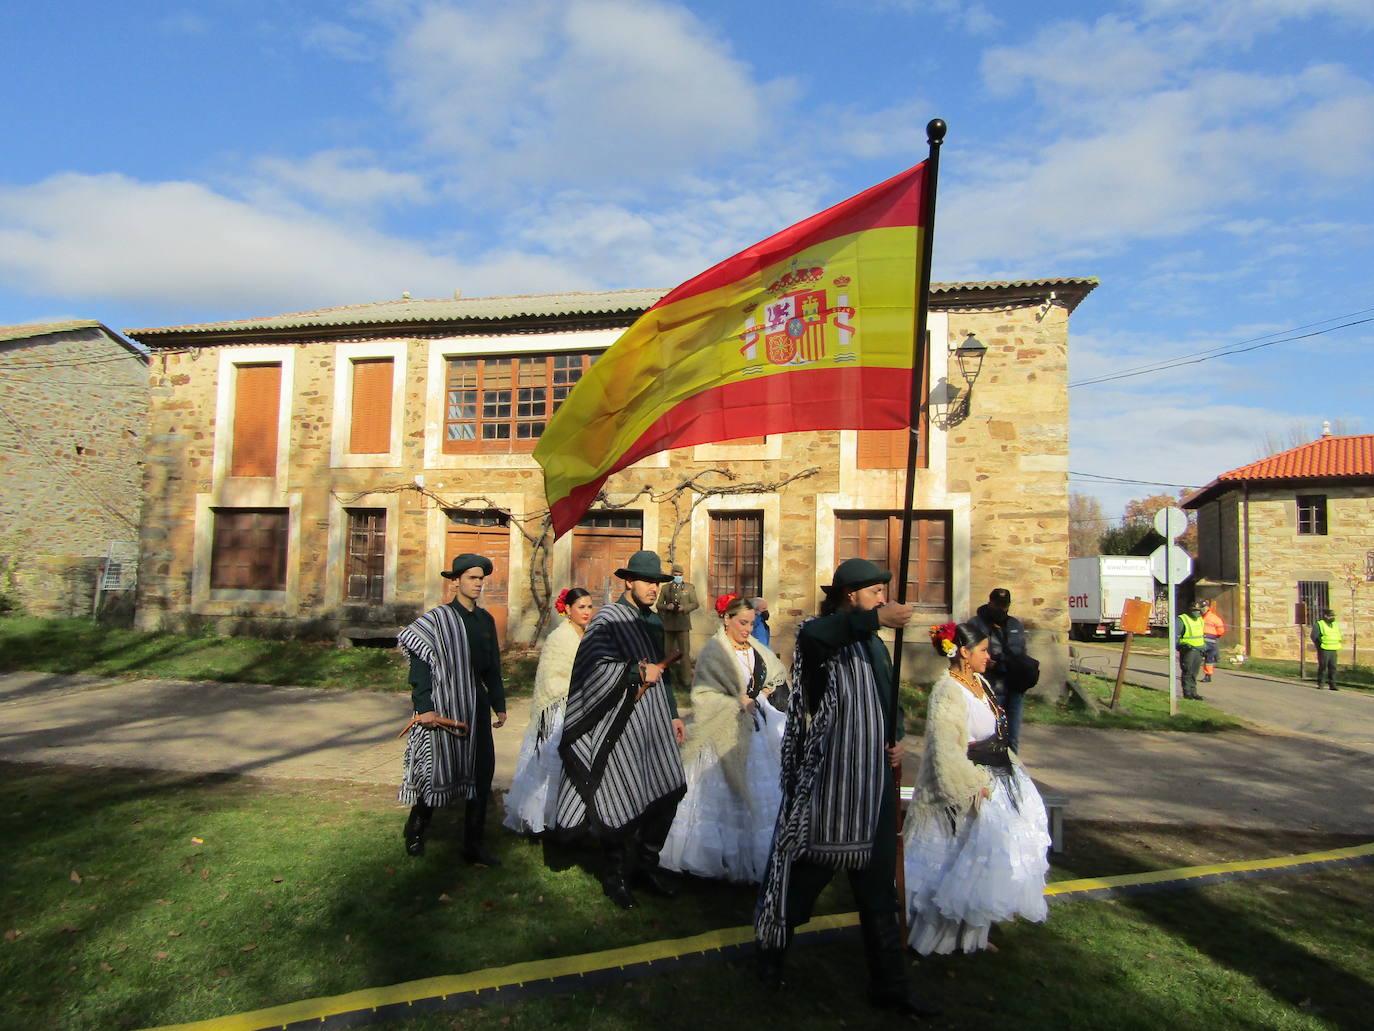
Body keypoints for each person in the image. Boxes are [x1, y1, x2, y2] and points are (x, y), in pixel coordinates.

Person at [754, 558, 939, 1020]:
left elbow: (886, 696)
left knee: (878, 889)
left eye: (883, 593)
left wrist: (893, 739)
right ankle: (771, 959)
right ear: (852, 596)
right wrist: (876, 618)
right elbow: (815, 641)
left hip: (873, 782)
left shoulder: (875, 646)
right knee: (805, 880)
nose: (883, 599)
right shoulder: (823, 634)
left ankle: (891, 987)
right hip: (830, 783)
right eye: (876, 592)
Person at [902, 622, 1050, 953]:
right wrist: (970, 786)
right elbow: (946, 747)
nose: (989, 655)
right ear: (964, 653)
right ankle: (938, 936)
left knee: (979, 864)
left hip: (992, 775)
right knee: (951, 863)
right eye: (983, 649)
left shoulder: (978, 682)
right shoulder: (948, 691)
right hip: (966, 786)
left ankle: (973, 937)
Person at [556, 550, 687, 909]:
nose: (653, 590)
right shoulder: (609, 620)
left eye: (657, 583)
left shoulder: (655, 622)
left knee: (669, 788)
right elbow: (592, 667)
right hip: (619, 721)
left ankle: (645, 866)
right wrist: (635, 672)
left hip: (655, 716)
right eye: (646, 582)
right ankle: (615, 878)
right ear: (628, 581)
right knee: (620, 792)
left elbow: (664, 674)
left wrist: (673, 713)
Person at [661, 595, 787, 883]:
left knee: (755, 796)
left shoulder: (755, 648)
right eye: (742, 623)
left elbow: (772, 678)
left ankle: (752, 855)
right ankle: (712, 857)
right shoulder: (713, 652)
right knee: (722, 799)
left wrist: (762, 695)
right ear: (726, 619)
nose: (747, 630)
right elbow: (704, 697)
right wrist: (735, 703)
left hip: (753, 734)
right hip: (719, 735)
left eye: (751, 624)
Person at [398, 553, 508, 864]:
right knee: (437, 769)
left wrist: (498, 704)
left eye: (481, 578)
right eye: (472, 577)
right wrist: (424, 707)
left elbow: (492, 668)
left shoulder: (485, 620)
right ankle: (416, 830)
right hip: (444, 707)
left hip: (476, 707)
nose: (478, 583)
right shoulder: (437, 620)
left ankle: (472, 845)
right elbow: (419, 665)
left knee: (481, 774)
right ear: (456, 581)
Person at [503, 587, 595, 835]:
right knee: (552, 767)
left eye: (589, 607)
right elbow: (551, 678)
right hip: (559, 710)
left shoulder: (587, 635)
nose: (586, 612)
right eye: (581, 607)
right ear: (567, 609)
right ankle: (544, 820)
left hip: (580, 707)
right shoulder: (560, 637)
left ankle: (572, 819)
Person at [971, 588, 1037, 753]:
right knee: (991, 734)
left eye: (1004, 605)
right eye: (997, 604)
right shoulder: (976, 624)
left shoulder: (1015, 624)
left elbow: (1021, 651)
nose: (1000, 609)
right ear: (989, 603)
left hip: (1015, 686)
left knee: (1012, 736)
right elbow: (970, 653)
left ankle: (1012, 772)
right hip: (991, 686)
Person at [656, 563, 699, 687]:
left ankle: (686, 681)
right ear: (672, 575)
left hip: (683, 624)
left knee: (684, 653)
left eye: (680, 575)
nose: (678, 577)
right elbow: (658, 605)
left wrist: (684, 608)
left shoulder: (689, 588)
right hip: (668, 624)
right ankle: (667, 680)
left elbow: (695, 604)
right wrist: (667, 607)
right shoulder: (666, 588)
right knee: (667, 653)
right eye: (675, 575)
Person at [1177, 601, 1206, 701]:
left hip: (1199, 650)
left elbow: (1202, 634)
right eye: (1194, 610)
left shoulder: (1200, 620)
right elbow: (1175, 635)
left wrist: (1204, 646)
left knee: (1194, 673)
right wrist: (1180, 645)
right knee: (1187, 671)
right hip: (1188, 650)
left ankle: (1194, 692)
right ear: (1189, 610)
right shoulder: (1182, 619)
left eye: (1198, 610)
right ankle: (1187, 693)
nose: (1196, 612)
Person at [1312, 607, 1341, 691]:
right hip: (1324, 649)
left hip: (1333, 648)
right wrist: (1319, 646)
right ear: (1325, 616)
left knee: (1333, 667)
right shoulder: (1319, 624)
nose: (1332, 617)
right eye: (1330, 616)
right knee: (1323, 667)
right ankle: (1321, 683)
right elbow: (1314, 636)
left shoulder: (1335, 624)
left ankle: (1333, 684)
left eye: (1333, 616)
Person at [1201, 600, 1227, 683]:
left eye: (1204, 608)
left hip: (1207, 642)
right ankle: (1207, 676)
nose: (1203, 609)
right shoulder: (1212, 618)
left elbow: (1221, 630)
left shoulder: (1207, 618)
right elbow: (1221, 631)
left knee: (1206, 659)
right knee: (1209, 660)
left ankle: (1207, 676)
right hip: (1210, 641)